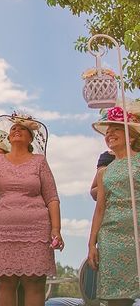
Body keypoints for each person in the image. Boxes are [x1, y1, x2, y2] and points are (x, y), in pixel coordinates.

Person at [0, 113, 63, 306]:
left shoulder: (39, 161)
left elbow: (52, 197)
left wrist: (56, 229)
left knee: (34, 282)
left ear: (30, 138)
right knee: (5, 282)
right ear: (8, 138)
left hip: (36, 231)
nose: (17, 130)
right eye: (13, 129)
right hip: (2, 231)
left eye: (22, 128)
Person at [88, 103, 140, 305]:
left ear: (132, 136)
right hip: (111, 236)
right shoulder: (104, 172)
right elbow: (100, 208)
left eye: (115, 130)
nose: (109, 134)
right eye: (107, 132)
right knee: (117, 297)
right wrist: (92, 243)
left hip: (137, 231)